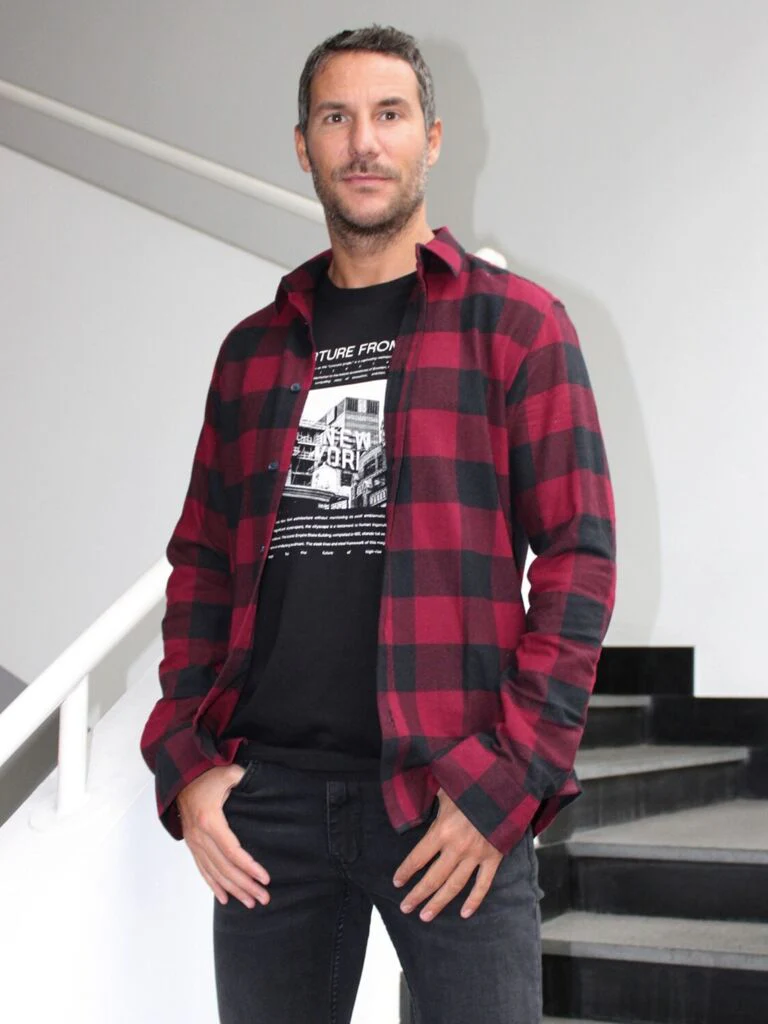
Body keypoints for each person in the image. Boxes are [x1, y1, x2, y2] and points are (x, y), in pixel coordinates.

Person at [140, 23, 616, 1024]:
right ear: (303, 145)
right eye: (336, 118)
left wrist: (509, 779)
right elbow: (201, 566)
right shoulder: (253, 351)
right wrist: (186, 762)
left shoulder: (517, 327)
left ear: (431, 139)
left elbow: (579, 560)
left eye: (389, 115)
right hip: (270, 808)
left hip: (451, 797)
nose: (363, 142)